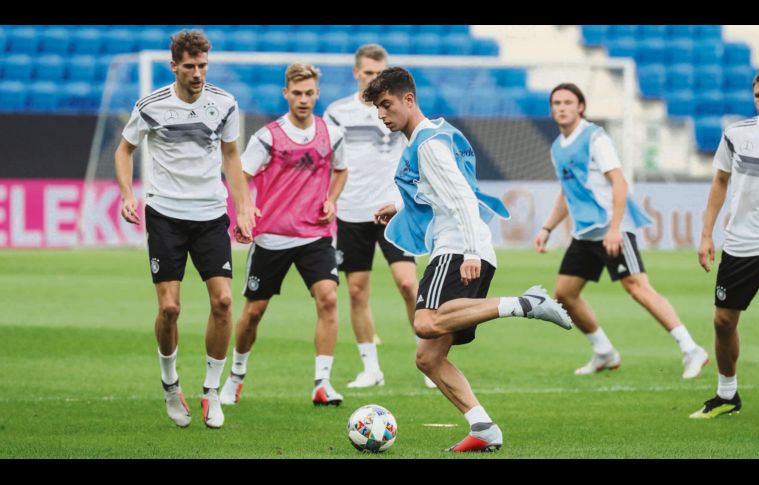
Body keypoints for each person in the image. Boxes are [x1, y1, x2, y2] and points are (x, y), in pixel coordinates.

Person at [363, 67, 573, 452]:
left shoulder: (427, 145)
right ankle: (483, 427)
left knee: (424, 321)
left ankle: (523, 304)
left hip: (457, 248)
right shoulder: (439, 133)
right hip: (467, 245)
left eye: (386, 104)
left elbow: (461, 195)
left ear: (409, 99)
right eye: (378, 108)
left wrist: (471, 251)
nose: (382, 114)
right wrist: (400, 206)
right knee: (429, 358)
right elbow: (446, 191)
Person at [114, 30, 258, 429]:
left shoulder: (224, 103)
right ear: (174, 66)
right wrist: (127, 194)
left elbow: (231, 155)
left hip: (210, 214)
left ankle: (211, 390)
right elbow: (124, 150)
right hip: (165, 213)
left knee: (223, 301)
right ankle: (170, 384)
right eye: (190, 66)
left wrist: (243, 208)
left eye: (203, 66)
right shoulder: (151, 105)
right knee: (170, 308)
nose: (197, 73)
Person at [534, 83, 709, 379]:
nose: (561, 107)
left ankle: (691, 349)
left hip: (611, 227)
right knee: (564, 294)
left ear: (581, 107)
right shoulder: (556, 148)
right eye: (556, 103)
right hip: (585, 232)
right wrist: (547, 227)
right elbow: (566, 192)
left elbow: (619, 181)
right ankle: (604, 352)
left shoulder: (595, 138)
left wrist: (615, 228)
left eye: (567, 102)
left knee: (637, 287)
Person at [219, 64, 349, 407]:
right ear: (286, 94)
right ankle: (235, 376)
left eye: (309, 93)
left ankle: (322, 383)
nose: (303, 99)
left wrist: (332, 200)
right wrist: (246, 208)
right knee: (254, 312)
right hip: (272, 237)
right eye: (297, 93)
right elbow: (240, 175)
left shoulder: (332, 134)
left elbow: (341, 170)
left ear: (317, 94)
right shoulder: (268, 136)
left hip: (316, 235)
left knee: (329, 299)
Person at [323, 44, 434, 389]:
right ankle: (371, 369)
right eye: (369, 73)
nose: (374, 79)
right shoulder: (337, 113)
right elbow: (328, 161)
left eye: (380, 74)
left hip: (393, 210)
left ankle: (428, 361)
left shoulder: (395, 109)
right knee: (357, 292)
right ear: (357, 73)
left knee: (408, 284)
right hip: (352, 212)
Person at [690, 68, 759, 419]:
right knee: (723, 321)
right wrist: (707, 234)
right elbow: (721, 180)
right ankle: (727, 395)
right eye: (758, 96)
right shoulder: (736, 134)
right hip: (741, 241)